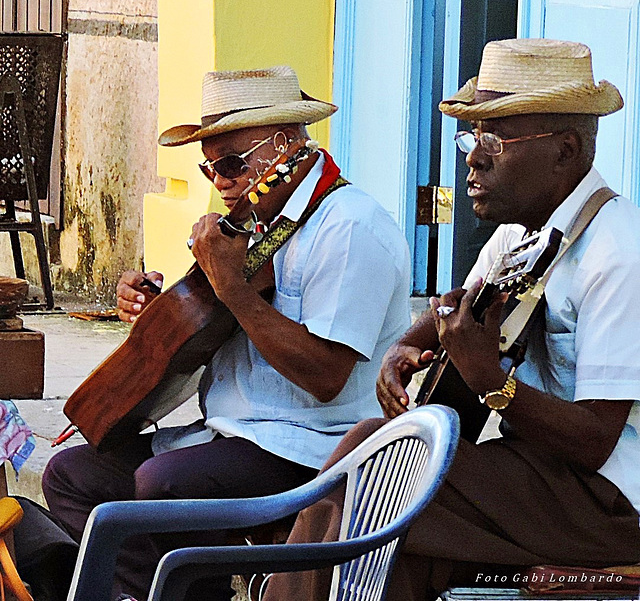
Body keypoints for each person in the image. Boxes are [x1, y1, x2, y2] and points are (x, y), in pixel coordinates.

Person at [262, 39, 640, 601]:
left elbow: (594, 442)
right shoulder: (522, 230)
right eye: (473, 135)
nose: (473, 155)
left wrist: (493, 384)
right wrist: (405, 346)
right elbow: (461, 301)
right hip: (536, 472)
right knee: (377, 474)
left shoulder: (618, 253)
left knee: (387, 487)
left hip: (607, 500)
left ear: (565, 150)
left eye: (497, 137)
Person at [42, 66, 411, 600]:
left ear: (284, 145)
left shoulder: (350, 227)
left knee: (164, 486)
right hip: (231, 433)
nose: (220, 182)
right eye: (209, 167)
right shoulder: (257, 224)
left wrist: (231, 288)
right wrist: (155, 308)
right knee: (72, 475)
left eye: (233, 163)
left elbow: (326, 376)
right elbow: (203, 325)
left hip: (311, 443)